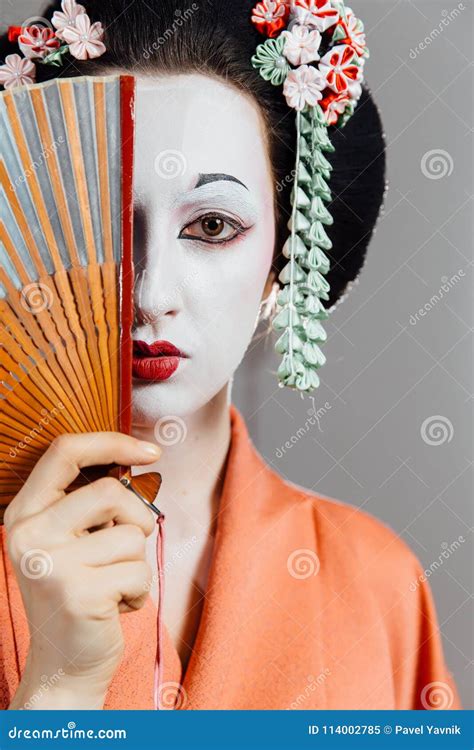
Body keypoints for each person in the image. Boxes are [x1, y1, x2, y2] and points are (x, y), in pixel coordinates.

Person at [0, 0, 461, 710]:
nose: (151, 292)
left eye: (212, 225)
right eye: (106, 220)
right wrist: (58, 688)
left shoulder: (376, 579)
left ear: (282, 257)